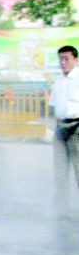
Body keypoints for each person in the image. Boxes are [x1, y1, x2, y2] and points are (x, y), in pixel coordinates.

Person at [50, 45, 79, 217]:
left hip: (77, 128)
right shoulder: (58, 80)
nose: (63, 62)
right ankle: (62, 209)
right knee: (60, 171)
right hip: (61, 129)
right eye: (60, 58)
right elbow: (55, 107)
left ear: (76, 60)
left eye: (66, 58)